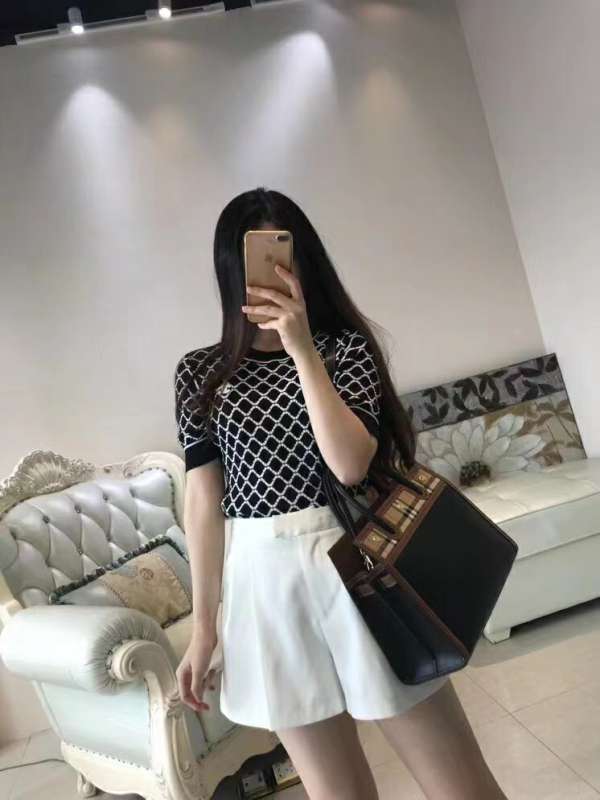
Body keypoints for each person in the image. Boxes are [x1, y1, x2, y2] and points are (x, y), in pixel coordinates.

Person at [173, 188, 507, 800]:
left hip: (357, 565)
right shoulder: (200, 372)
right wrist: (203, 626)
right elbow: (203, 501)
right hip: (264, 583)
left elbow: (351, 466)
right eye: (255, 262)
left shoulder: (343, 348)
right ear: (230, 272)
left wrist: (302, 350)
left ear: (305, 263)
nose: (273, 275)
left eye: (285, 258)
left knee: (462, 787)